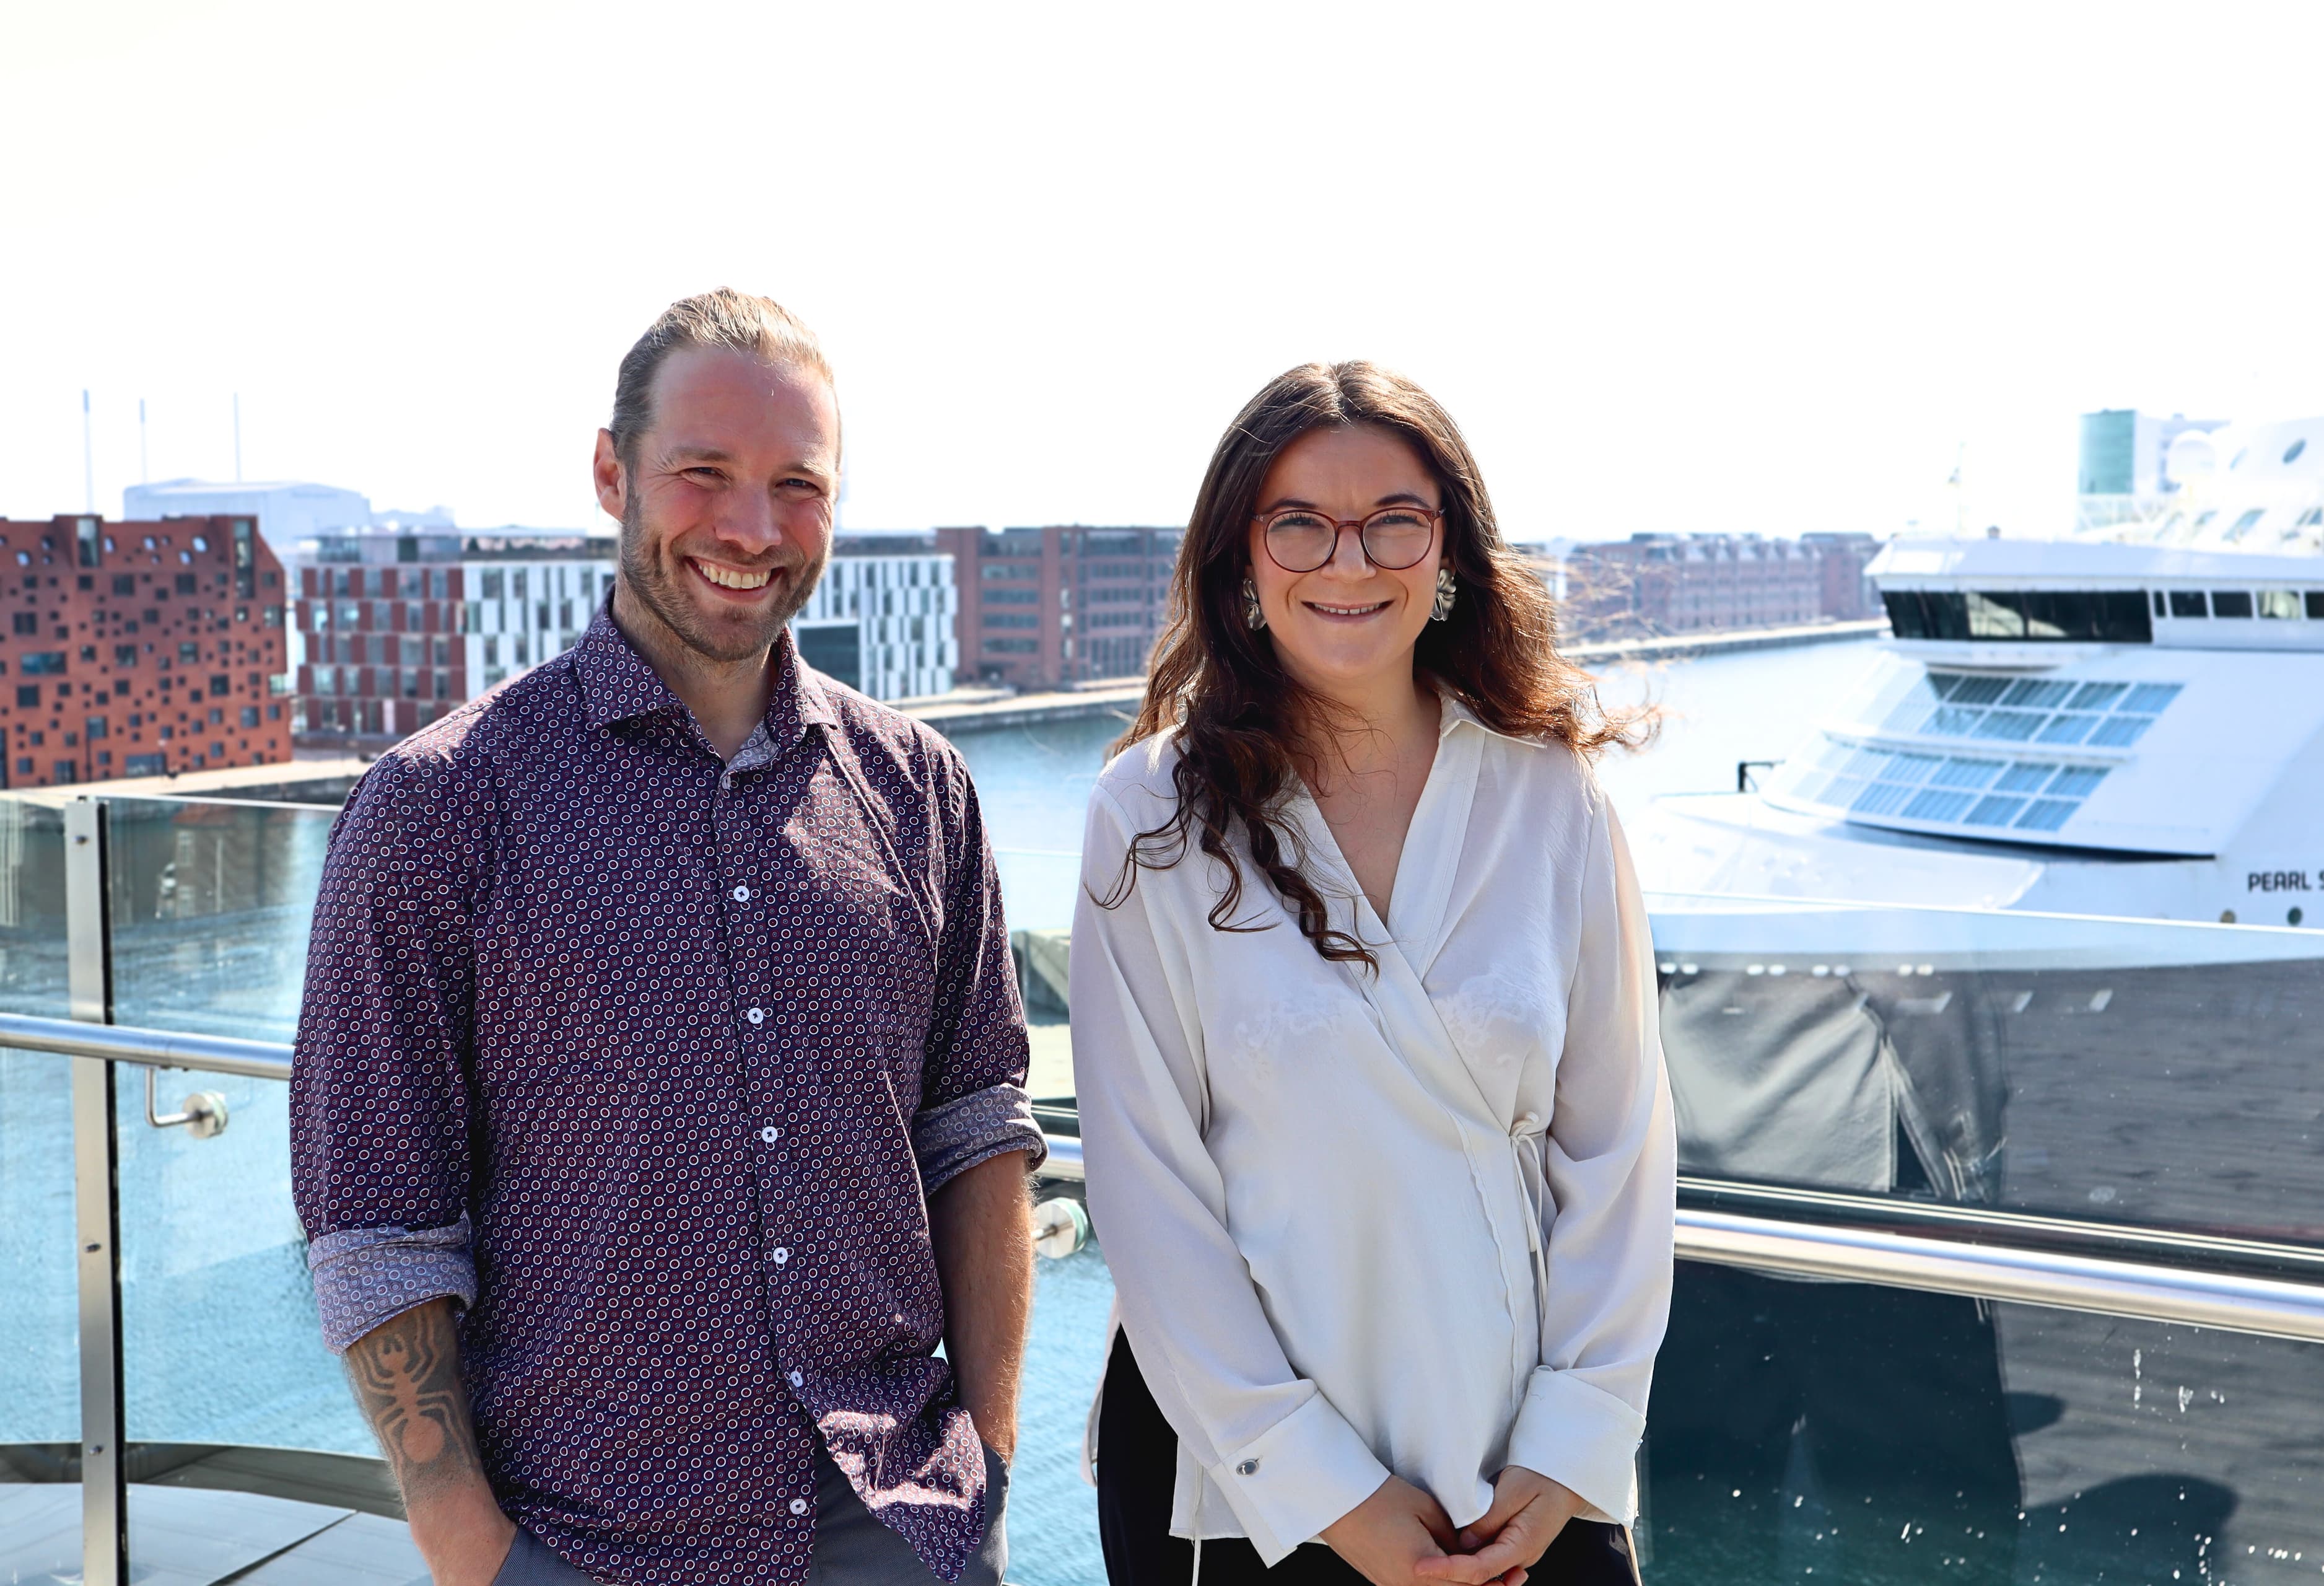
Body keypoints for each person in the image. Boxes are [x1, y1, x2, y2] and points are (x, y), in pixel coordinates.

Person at [290, 288, 1042, 1586]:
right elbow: (375, 1223)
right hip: (590, 1544)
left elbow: (978, 1132)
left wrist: (985, 1464)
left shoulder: (920, 790)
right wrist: (477, 1555)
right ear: (610, 473)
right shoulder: (438, 807)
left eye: (797, 484)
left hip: (907, 1526)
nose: (752, 528)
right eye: (705, 474)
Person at [1071, 362, 1674, 1586]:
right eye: (1299, 520)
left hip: (1524, 1480)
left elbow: (1622, 1147)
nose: (1348, 560)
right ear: (1242, 557)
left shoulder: (1552, 799)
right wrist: (1328, 1492)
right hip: (1245, 1496)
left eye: (1394, 517)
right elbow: (1149, 1196)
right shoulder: (1146, 817)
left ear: (1447, 547)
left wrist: (1571, 1443)